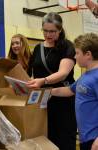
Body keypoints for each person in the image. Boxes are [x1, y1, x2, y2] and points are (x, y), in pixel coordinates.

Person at [26, 12, 77, 150]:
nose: (48, 34)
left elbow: (63, 73)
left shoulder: (67, 46)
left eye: (53, 31)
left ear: (60, 30)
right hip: (42, 101)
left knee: (63, 140)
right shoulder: (38, 48)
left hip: (62, 100)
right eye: (45, 31)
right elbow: (31, 73)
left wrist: (43, 81)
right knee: (44, 138)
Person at [51, 33, 98, 150]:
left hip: (94, 140)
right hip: (85, 138)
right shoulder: (85, 76)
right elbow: (69, 90)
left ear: (88, 54)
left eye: (77, 53)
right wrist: (45, 91)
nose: (75, 57)